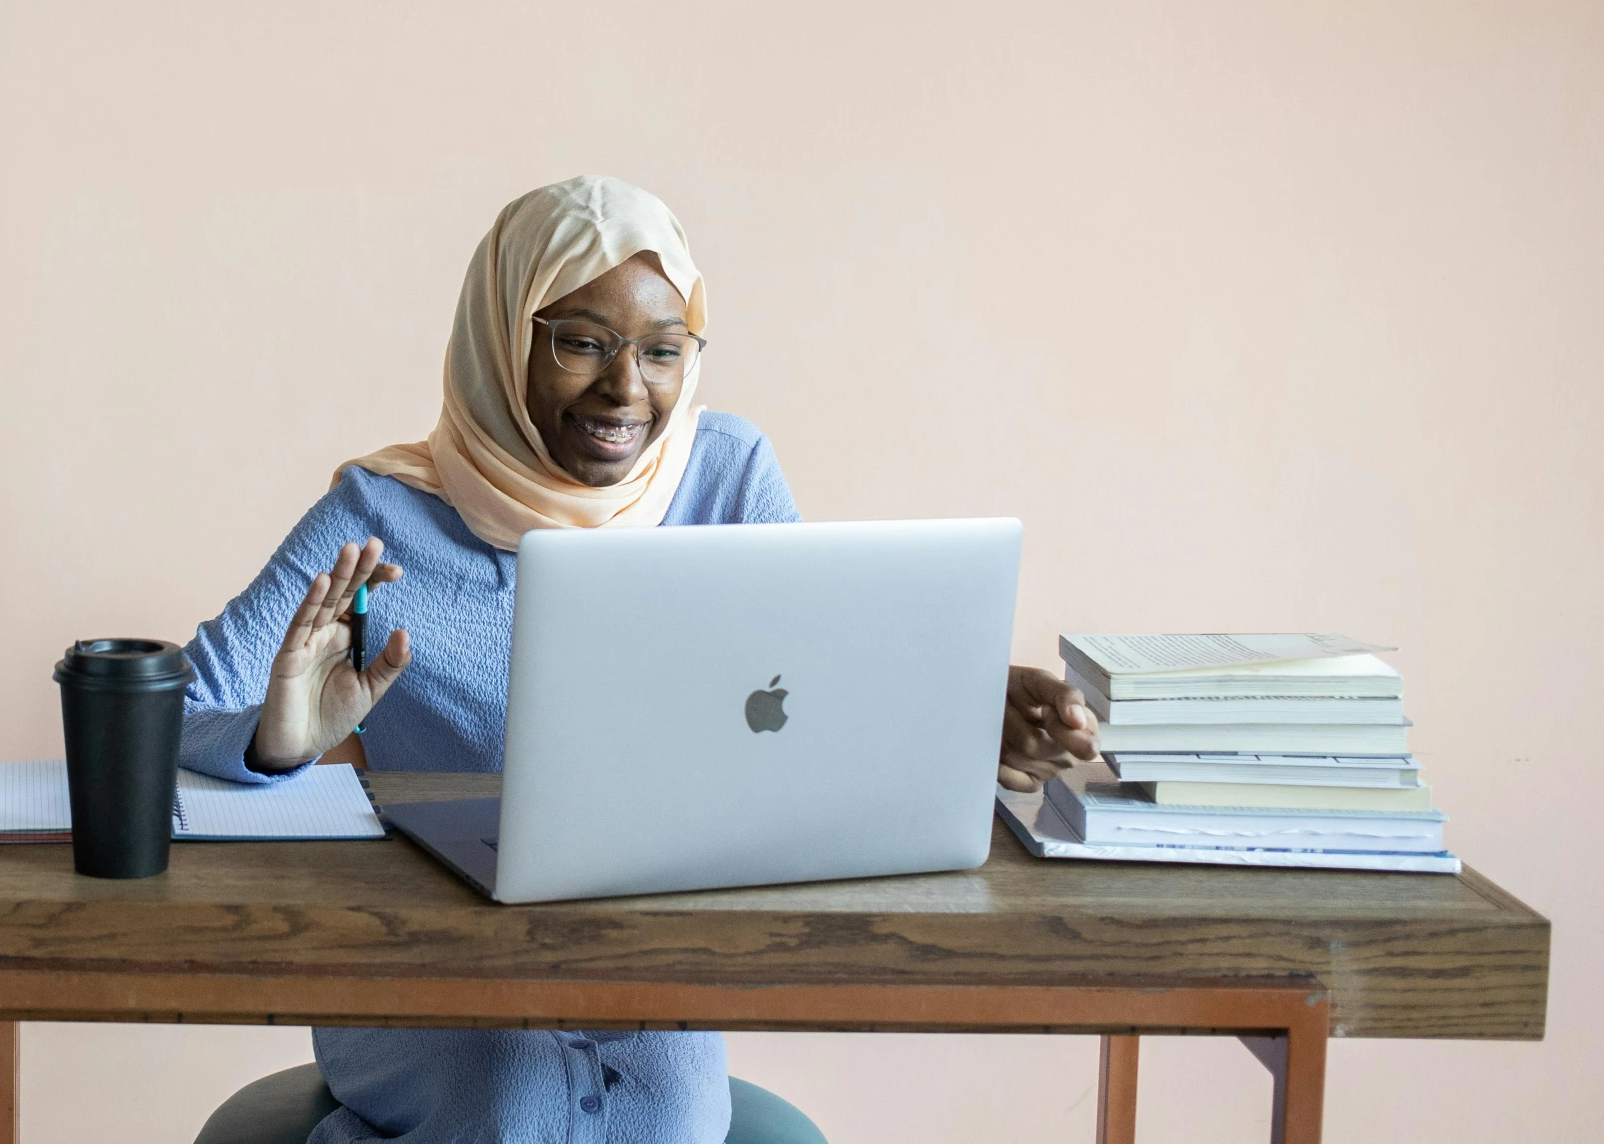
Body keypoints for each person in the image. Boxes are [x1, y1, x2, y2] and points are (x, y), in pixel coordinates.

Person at [180, 175, 1097, 1144]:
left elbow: (811, 682)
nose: (627, 389)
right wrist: (277, 739)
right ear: (503, 336)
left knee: (661, 1114)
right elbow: (174, 710)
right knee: (511, 1106)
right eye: (581, 341)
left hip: (651, 961)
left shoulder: (723, 473)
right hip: (432, 963)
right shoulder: (380, 516)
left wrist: (954, 711)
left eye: (663, 351)